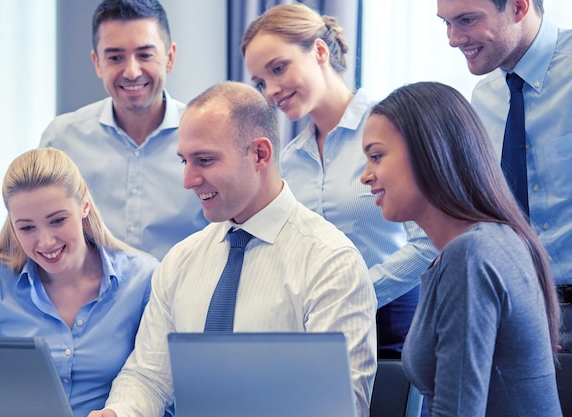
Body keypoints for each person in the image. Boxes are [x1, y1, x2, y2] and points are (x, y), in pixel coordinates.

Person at [88, 81, 377, 417]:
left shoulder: (330, 261)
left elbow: (339, 408)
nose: (188, 180)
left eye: (205, 160)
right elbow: (149, 376)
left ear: (260, 154)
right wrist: (119, 412)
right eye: (185, 161)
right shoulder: (182, 260)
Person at [241, 3, 438, 359]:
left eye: (278, 68)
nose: (270, 91)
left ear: (319, 51)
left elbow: (429, 243)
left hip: (393, 327)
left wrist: (354, 293)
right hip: (314, 333)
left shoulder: (393, 127)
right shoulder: (287, 160)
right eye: (260, 82)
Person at [360, 81, 562, 416]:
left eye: (377, 156)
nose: (366, 176)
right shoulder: (487, 242)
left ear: (430, 151)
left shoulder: (470, 254)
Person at [0, 148, 159, 417]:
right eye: (27, 227)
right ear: (12, 225)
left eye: (58, 220)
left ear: (84, 205)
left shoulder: (143, 279)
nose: (45, 241)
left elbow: (159, 382)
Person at [437, 0, 572, 351]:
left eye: (466, 20)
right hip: (523, 310)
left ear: (519, 7)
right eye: (446, 23)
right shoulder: (485, 98)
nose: (453, 39)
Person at [40, 0, 208, 261]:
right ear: (97, 63)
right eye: (115, 57)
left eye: (145, 55)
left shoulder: (208, 136)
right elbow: (37, 232)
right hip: (91, 301)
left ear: (170, 57)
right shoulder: (62, 139)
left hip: (186, 298)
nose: (131, 71)